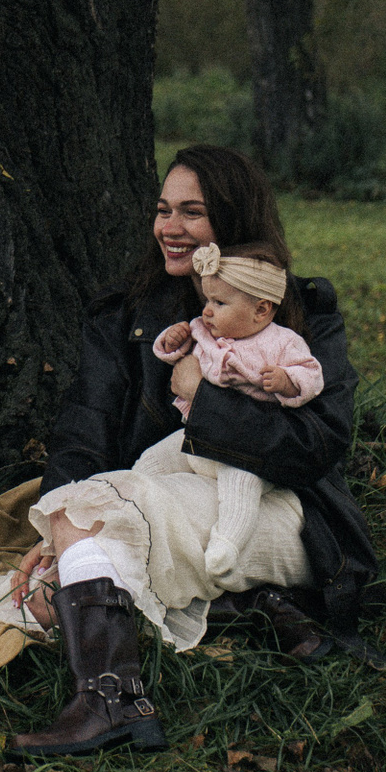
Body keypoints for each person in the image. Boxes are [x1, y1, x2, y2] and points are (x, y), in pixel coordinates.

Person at [6, 145, 379, 760]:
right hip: (163, 495)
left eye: (193, 212)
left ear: (233, 221)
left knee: (81, 538)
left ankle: (112, 704)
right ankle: (248, 605)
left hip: (278, 512)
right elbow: (84, 434)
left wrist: (205, 401)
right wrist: (52, 537)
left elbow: (315, 448)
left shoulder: (302, 317)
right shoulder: (125, 315)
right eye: (163, 210)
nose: (171, 228)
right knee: (44, 601)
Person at [150, 240, 323, 579]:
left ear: (261, 310)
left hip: (245, 450)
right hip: (196, 437)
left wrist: (287, 381)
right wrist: (171, 341)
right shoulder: (203, 330)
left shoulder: (282, 342)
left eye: (219, 303)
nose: (207, 311)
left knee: (240, 486)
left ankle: (227, 544)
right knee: (156, 458)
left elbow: (312, 375)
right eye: (207, 300)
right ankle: (129, 494)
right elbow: (174, 356)